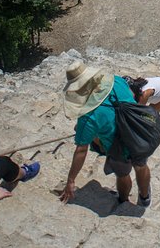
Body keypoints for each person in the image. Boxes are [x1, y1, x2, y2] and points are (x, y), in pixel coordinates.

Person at [61, 61, 152, 206]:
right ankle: (145, 197)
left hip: (119, 148)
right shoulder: (117, 81)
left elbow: (81, 150)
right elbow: (132, 96)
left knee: (122, 174)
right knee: (141, 165)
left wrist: (71, 180)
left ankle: (123, 201)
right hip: (140, 131)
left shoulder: (88, 116)